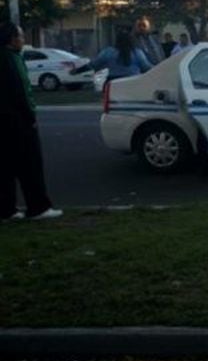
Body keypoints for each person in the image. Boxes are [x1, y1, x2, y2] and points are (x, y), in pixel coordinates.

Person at [0, 22, 62, 221]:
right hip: (18, 122)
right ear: (12, 39)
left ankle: (6, 209)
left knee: (6, 167)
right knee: (30, 165)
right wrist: (30, 117)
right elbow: (21, 92)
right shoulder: (12, 60)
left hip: (5, 122)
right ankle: (38, 207)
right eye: (20, 36)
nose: (23, 40)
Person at [73, 31, 153, 82]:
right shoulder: (137, 53)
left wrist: (77, 71)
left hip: (113, 81)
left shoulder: (108, 52)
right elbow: (146, 67)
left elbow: (94, 64)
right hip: (133, 80)